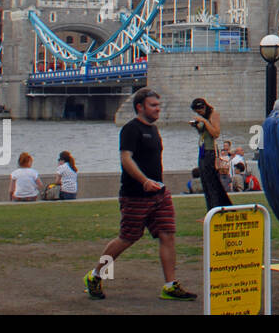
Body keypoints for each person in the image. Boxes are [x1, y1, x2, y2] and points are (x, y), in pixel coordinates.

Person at [83, 88, 196, 301]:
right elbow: (126, 159)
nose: (158, 110)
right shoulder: (130, 129)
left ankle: (170, 285)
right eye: (153, 106)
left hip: (159, 194)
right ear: (140, 107)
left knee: (167, 234)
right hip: (135, 195)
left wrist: (156, 184)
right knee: (127, 238)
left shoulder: (154, 130)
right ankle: (95, 275)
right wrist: (144, 181)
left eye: (159, 106)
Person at [191, 97, 231, 211]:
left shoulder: (213, 115)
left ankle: (215, 209)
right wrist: (196, 126)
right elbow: (204, 133)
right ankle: (210, 210)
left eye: (199, 111)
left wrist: (204, 121)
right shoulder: (203, 118)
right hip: (203, 150)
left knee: (211, 182)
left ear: (203, 107)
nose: (198, 113)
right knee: (205, 181)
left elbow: (215, 133)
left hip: (210, 151)